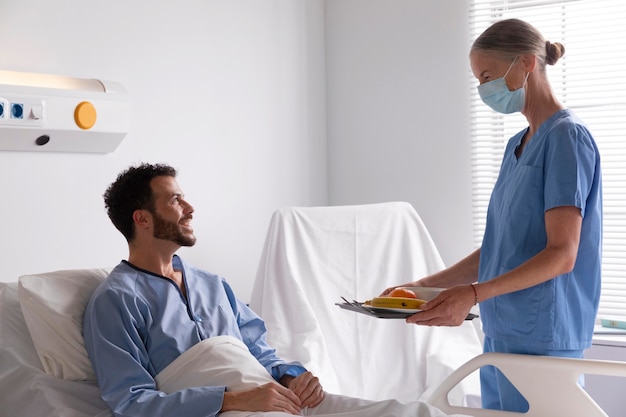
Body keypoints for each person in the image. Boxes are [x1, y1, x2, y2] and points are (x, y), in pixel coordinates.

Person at [83, 163, 466, 417]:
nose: (190, 207)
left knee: (415, 413)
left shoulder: (213, 286)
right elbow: (131, 402)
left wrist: (292, 377)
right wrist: (232, 400)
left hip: (276, 399)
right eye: (175, 200)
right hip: (224, 410)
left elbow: (261, 353)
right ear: (142, 219)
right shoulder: (117, 301)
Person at [382, 18, 602, 413]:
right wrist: (420, 288)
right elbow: (499, 251)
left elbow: (562, 253)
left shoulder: (567, 139)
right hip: (501, 330)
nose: (484, 89)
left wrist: (470, 295)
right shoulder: (517, 145)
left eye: (487, 76)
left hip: (543, 335)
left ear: (526, 64)